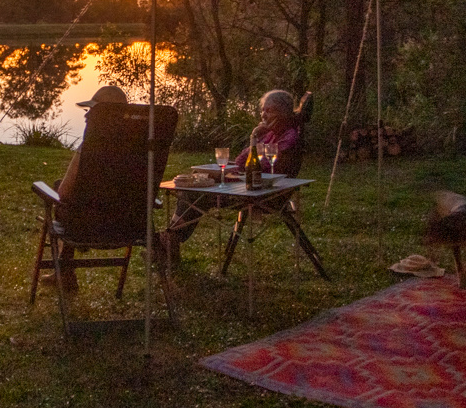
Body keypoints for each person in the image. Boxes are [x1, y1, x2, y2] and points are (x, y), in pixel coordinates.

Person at [162, 89, 303, 261]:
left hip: (262, 193)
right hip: (249, 186)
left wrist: (244, 164)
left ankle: (169, 241)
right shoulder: (268, 134)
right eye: (263, 110)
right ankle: (170, 242)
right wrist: (254, 138)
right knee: (197, 179)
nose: (264, 114)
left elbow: (264, 168)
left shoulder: (289, 137)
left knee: (195, 190)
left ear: (283, 112)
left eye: (270, 110)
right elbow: (241, 160)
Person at [40, 84, 129, 292]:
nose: (87, 116)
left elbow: (63, 194)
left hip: (86, 226)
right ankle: (65, 273)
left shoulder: (90, 147)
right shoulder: (145, 147)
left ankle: (64, 272)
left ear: (105, 115)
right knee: (80, 198)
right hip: (131, 224)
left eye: (93, 111)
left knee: (60, 192)